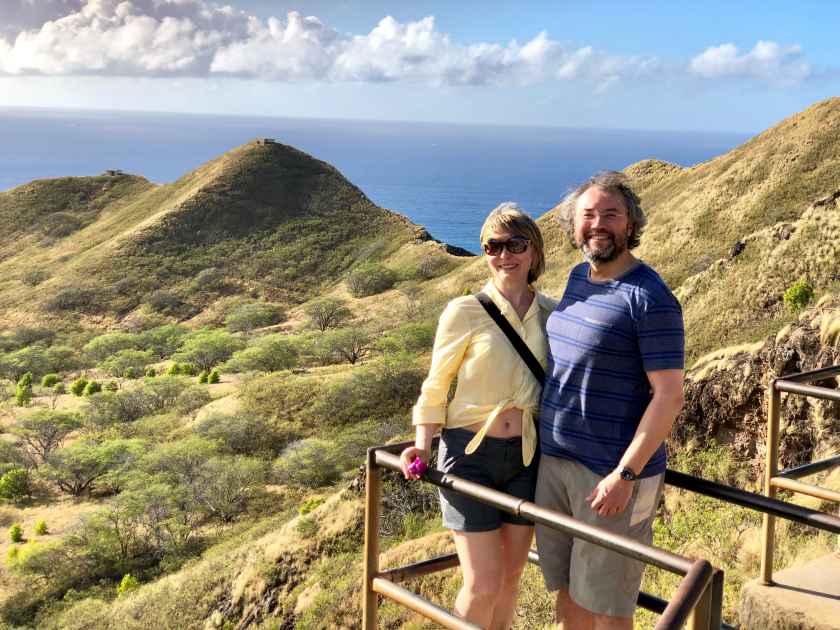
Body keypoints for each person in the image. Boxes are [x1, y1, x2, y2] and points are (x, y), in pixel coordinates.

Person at [535, 171, 685, 629]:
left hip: (610, 477)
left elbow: (669, 396)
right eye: (588, 214)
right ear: (574, 225)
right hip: (555, 465)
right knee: (567, 595)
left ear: (630, 225)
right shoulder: (579, 278)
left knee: (609, 608)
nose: (598, 223)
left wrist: (625, 474)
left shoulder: (650, 298)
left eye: (611, 215)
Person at [400, 202, 556, 630]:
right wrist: (422, 443)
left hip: (526, 458)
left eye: (515, 244)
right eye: (493, 246)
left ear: (534, 252)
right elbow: (435, 385)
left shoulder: (551, 313)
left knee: (510, 578)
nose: (504, 255)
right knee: (482, 582)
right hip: (470, 457)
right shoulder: (464, 311)